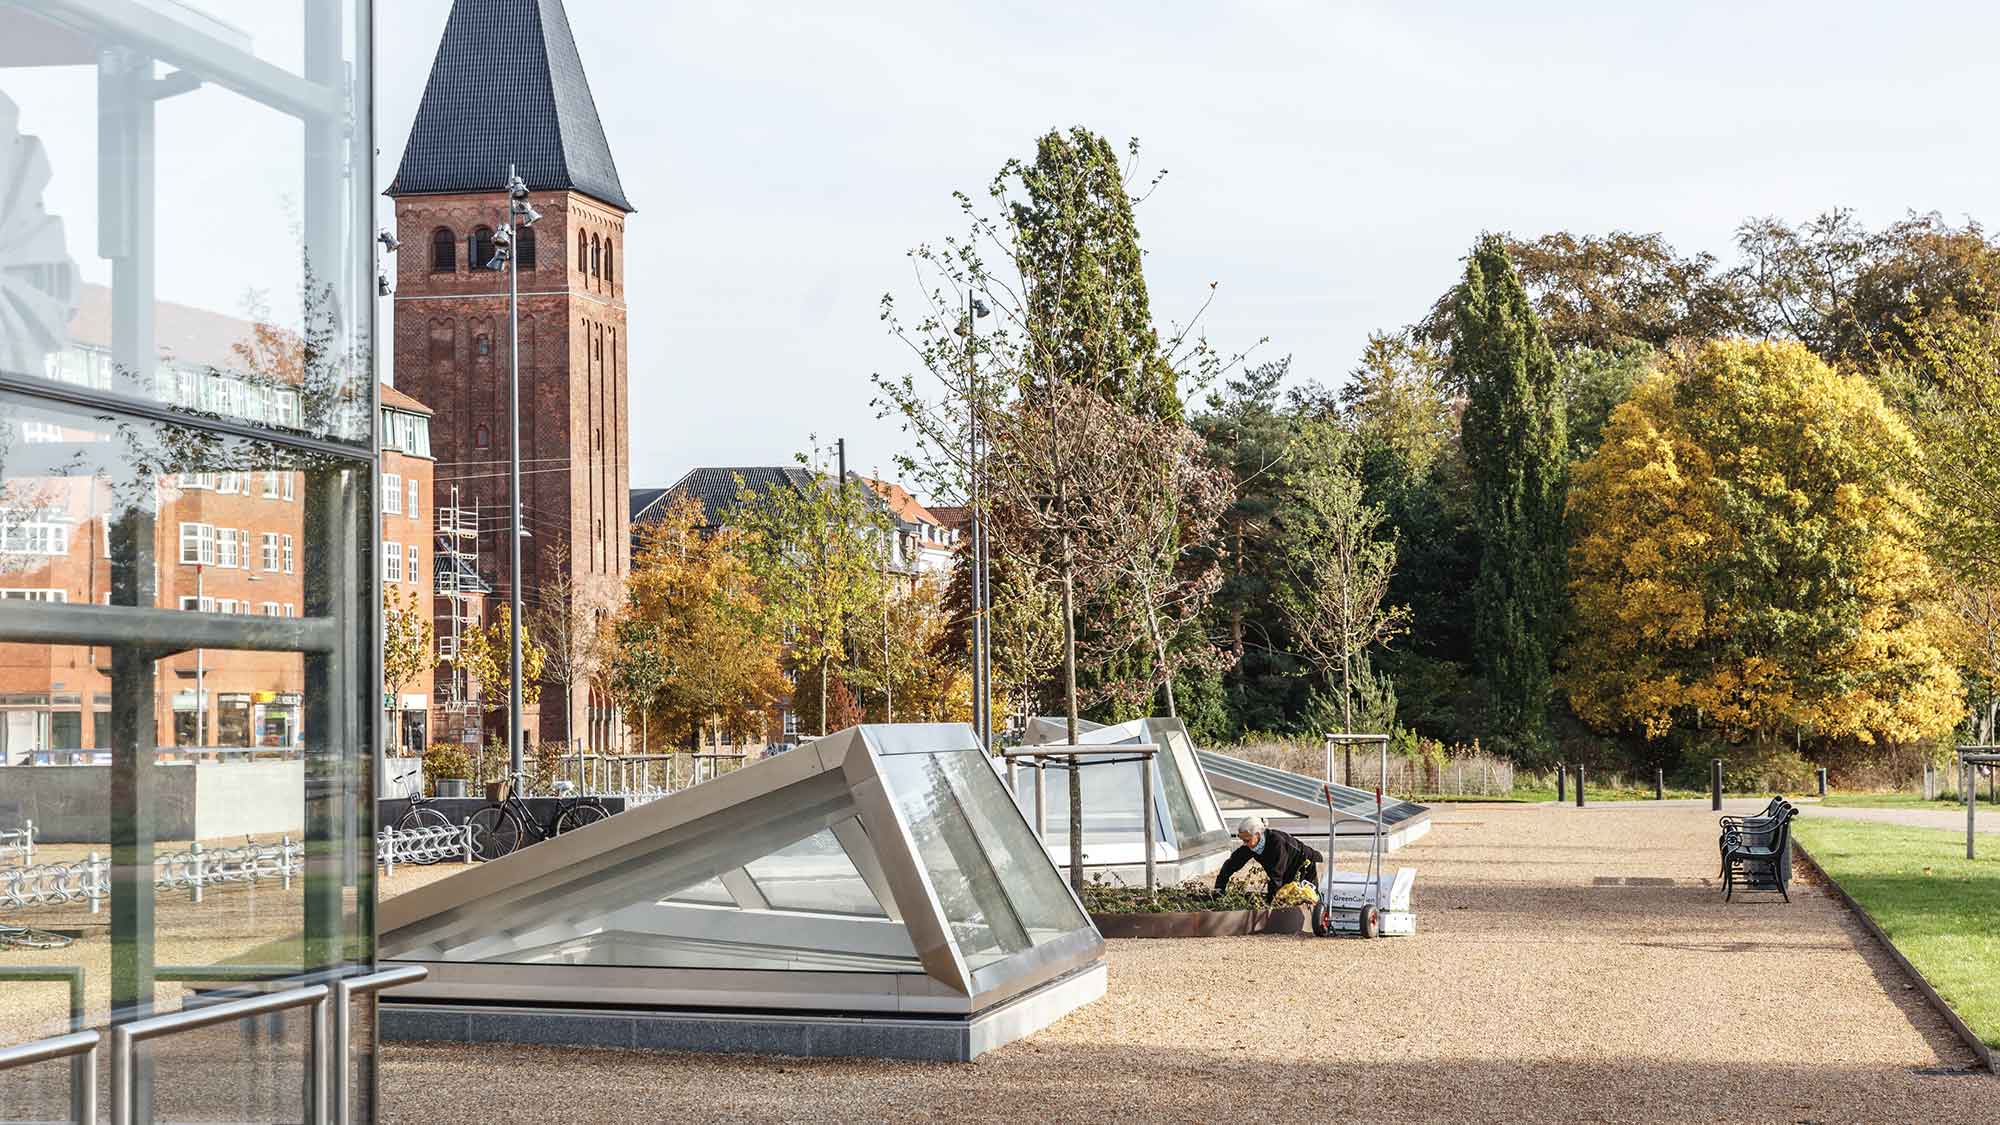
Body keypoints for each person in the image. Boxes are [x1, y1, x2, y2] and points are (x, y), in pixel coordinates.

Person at [1212, 815, 1322, 902]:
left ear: (1258, 835)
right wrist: (1219, 887)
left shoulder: (1276, 843)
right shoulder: (1251, 845)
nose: (1245, 843)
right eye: (1243, 840)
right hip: (1288, 872)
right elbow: (1233, 863)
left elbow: (1276, 877)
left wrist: (1269, 904)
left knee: (1308, 898)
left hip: (1309, 866)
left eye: (1247, 840)